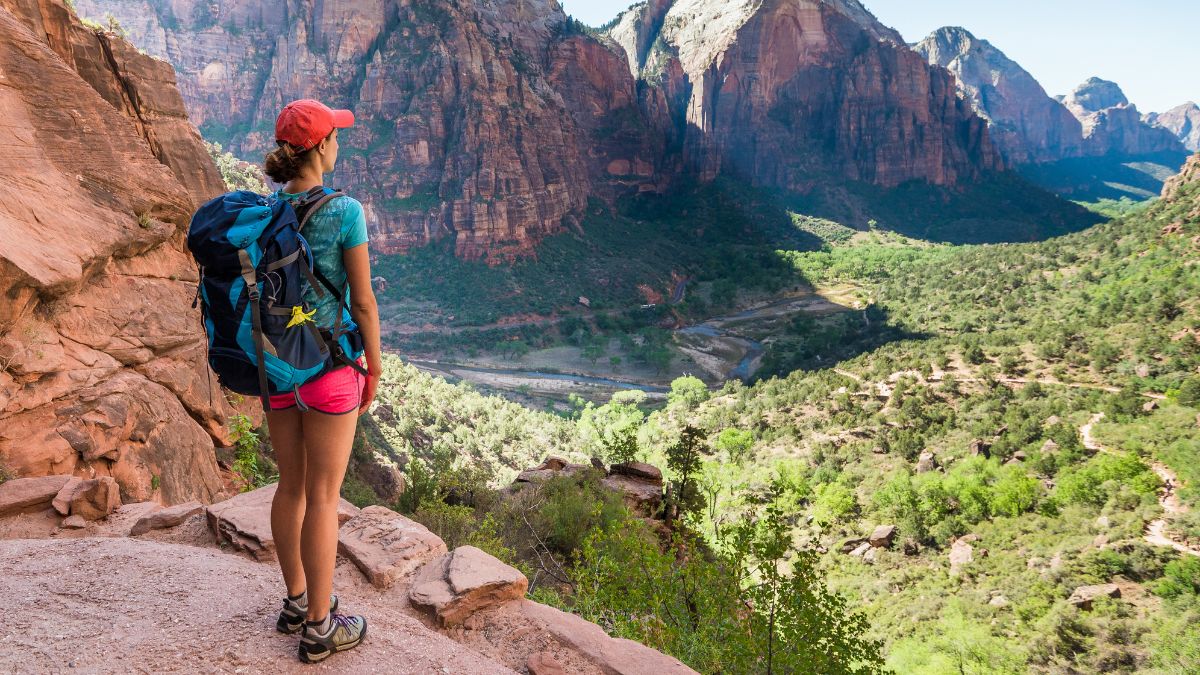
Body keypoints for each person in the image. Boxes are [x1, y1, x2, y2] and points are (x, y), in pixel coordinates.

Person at [260, 99, 382, 664]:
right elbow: (361, 300)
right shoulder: (346, 210)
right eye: (336, 134)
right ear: (320, 147)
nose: (341, 142)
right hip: (330, 368)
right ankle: (320, 626)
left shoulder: (266, 209)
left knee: (290, 488)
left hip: (278, 365)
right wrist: (374, 365)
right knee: (325, 498)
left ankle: (293, 601)